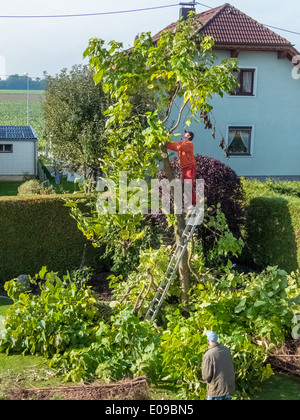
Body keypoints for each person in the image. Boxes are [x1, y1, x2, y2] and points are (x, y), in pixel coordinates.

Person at [201, 331, 235, 401]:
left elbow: (206, 376)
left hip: (216, 389)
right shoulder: (226, 350)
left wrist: (207, 381)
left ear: (207, 340)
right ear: (217, 339)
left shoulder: (208, 354)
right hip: (227, 386)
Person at [166, 130, 197, 207]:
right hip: (184, 168)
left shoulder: (189, 144)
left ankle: (195, 204)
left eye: (186, 133)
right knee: (184, 186)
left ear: (189, 136)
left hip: (190, 168)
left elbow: (178, 147)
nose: (184, 134)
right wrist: (166, 143)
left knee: (188, 185)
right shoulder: (182, 143)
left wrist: (170, 143)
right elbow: (173, 145)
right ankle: (190, 203)